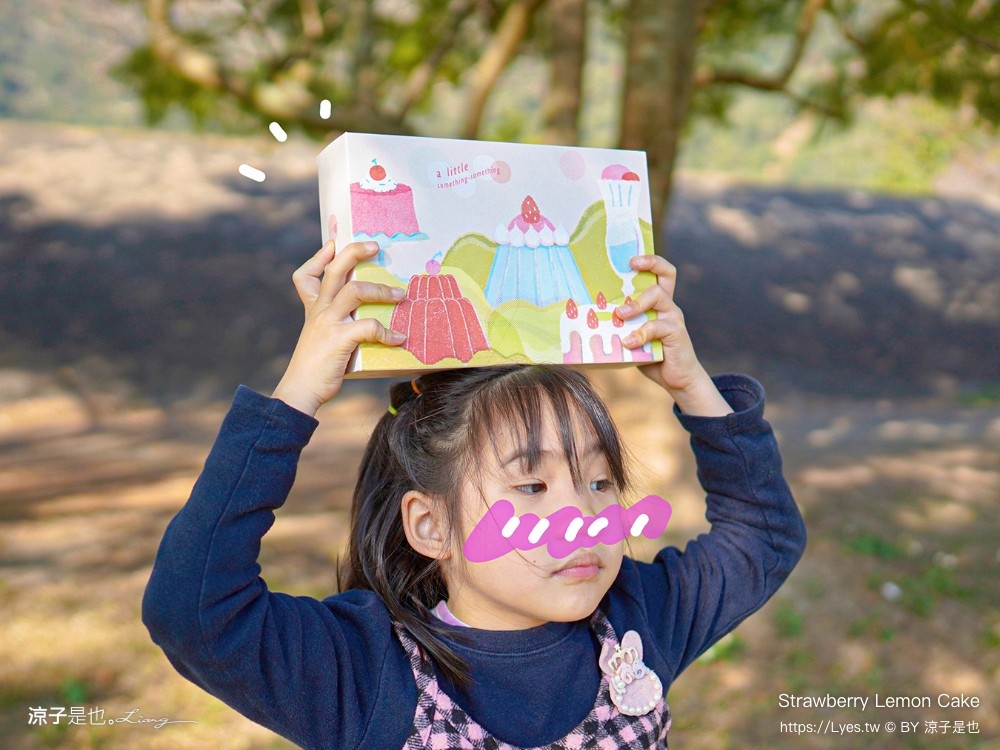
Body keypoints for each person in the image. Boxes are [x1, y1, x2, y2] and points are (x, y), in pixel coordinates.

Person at [142, 239, 807, 750]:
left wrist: (693, 385)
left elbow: (765, 540)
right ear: (431, 527)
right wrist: (296, 396)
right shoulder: (361, 672)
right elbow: (192, 611)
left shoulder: (640, 616)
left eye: (600, 481)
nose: (581, 517)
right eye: (531, 484)